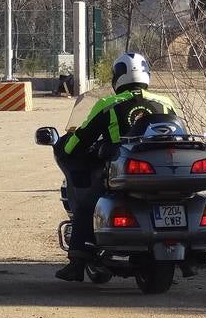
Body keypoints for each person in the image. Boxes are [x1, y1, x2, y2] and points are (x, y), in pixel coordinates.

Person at [53, 51, 178, 282]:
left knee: (86, 203)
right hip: (164, 170)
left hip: (123, 171)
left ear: (117, 77)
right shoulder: (166, 103)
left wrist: (65, 147)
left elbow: (82, 138)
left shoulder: (109, 104)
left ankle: (78, 260)